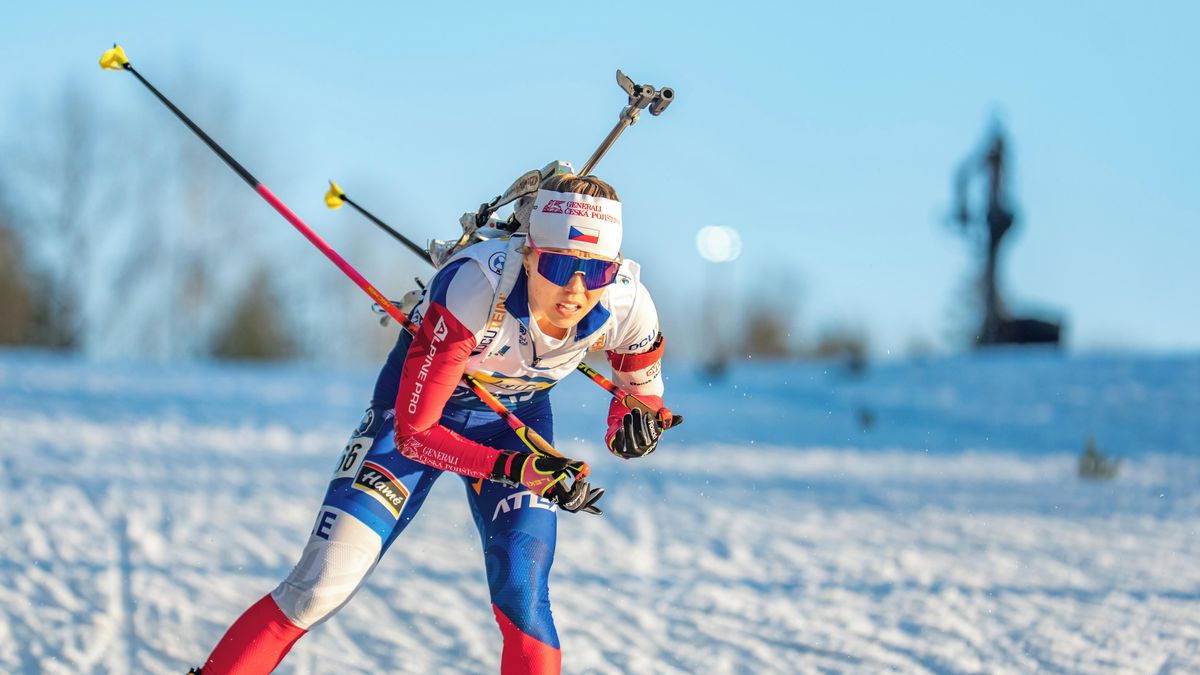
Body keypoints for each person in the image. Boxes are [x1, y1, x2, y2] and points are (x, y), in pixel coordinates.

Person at [193, 173, 672, 674]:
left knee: (523, 592)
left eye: (594, 272)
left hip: (514, 422)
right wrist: (514, 467)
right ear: (529, 254)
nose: (576, 290)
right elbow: (414, 433)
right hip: (418, 414)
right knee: (320, 586)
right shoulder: (475, 287)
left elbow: (639, 398)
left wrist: (634, 427)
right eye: (558, 264)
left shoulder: (628, 302)